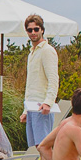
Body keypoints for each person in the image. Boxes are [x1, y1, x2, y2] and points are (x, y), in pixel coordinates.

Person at [20, 14, 59, 149]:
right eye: (30, 30)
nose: (33, 33)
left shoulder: (47, 51)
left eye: (36, 29)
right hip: (31, 106)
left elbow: (53, 79)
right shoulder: (32, 53)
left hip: (42, 106)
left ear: (42, 29)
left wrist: (48, 102)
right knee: (37, 147)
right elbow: (31, 85)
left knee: (44, 146)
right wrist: (26, 110)